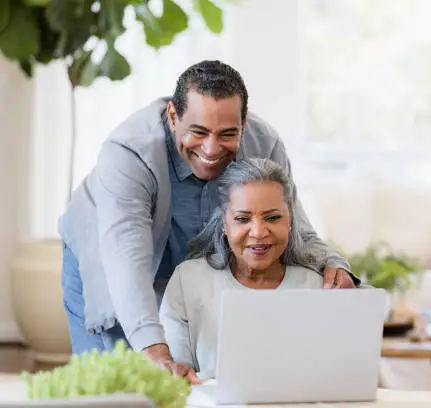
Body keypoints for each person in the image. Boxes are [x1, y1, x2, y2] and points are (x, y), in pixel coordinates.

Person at [58, 60, 358, 382]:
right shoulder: (129, 153)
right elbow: (126, 261)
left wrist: (334, 264)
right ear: (173, 117)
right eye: (198, 132)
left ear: (244, 122)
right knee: (119, 381)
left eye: (228, 134)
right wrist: (155, 351)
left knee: (193, 378)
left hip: (189, 267)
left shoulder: (265, 144)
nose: (212, 149)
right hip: (110, 257)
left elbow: (292, 222)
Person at [160, 158, 327, 380]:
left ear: (290, 220)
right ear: (224, 224)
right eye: (242, 219)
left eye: (273, 217)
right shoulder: (188, 280)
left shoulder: (316, 286)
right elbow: (177, 378)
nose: (258, 232)